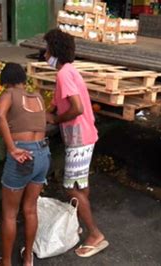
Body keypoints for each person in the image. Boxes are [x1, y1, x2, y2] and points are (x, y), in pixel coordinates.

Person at [44, 29, 108, 257]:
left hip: (79, 138)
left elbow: (77, 107)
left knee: (69, 186)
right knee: (80, 184)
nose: (44, 55)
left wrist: (55, 118)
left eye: (46, 50)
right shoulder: (70, 71)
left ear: (55, 51)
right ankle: (82, 221)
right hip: (86, 135)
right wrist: (48, 111)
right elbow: (58, 102)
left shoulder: (63, 74)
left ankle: (95, 234)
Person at [0, 63, 49, 266]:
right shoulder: (38, 97)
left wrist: (11, 148)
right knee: (30, 209)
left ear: (7, 83)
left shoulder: (9, 94)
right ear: (23, 80)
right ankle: (28, 259)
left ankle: (6, 263)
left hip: (23, 155)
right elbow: (26, 122)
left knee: (10, 214)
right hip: (43, 154)